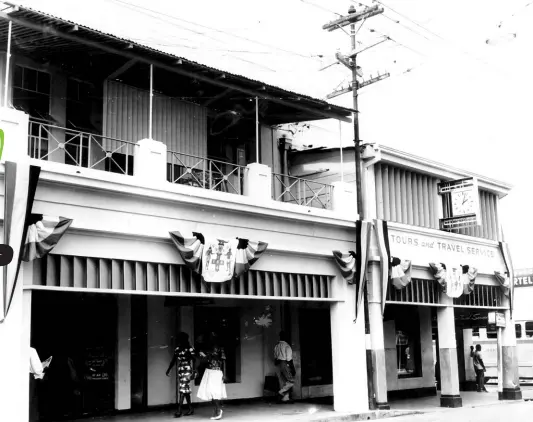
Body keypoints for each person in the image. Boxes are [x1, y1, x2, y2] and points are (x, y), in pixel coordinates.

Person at [197, 332, 227, 420]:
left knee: (215, 392)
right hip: (209, 371)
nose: (212, 338)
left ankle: (218, 409)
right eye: (210, 336)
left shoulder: (220, 349)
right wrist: (204, 356)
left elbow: (224, 361)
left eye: (213, 336)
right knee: (210, 392)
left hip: (217, 372)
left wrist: (224, 374)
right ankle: (215, 410)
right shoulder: (207, 349)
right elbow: (204, 361)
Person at [166, 332, 197, 418]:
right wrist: (168, 369)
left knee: (182, 389)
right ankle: (191, 408)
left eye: (179, 339)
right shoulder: (177, 349)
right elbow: (173, 360)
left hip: (187, 370)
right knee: (185, 390)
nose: (177, 341)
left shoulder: (190, 349)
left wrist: (194, 371)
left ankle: (179, 410)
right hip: (180, 370)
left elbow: (195, 360)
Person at [274, 331, 296, 403]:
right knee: (291, 381)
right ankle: (280, 392)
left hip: (278, 364)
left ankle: (285, 398)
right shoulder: (287, 346)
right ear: (286, 337)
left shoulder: (276, 346)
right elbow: (289, 359)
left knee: (283, 382)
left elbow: (275, 358)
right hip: (284, 363)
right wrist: (292, 368)